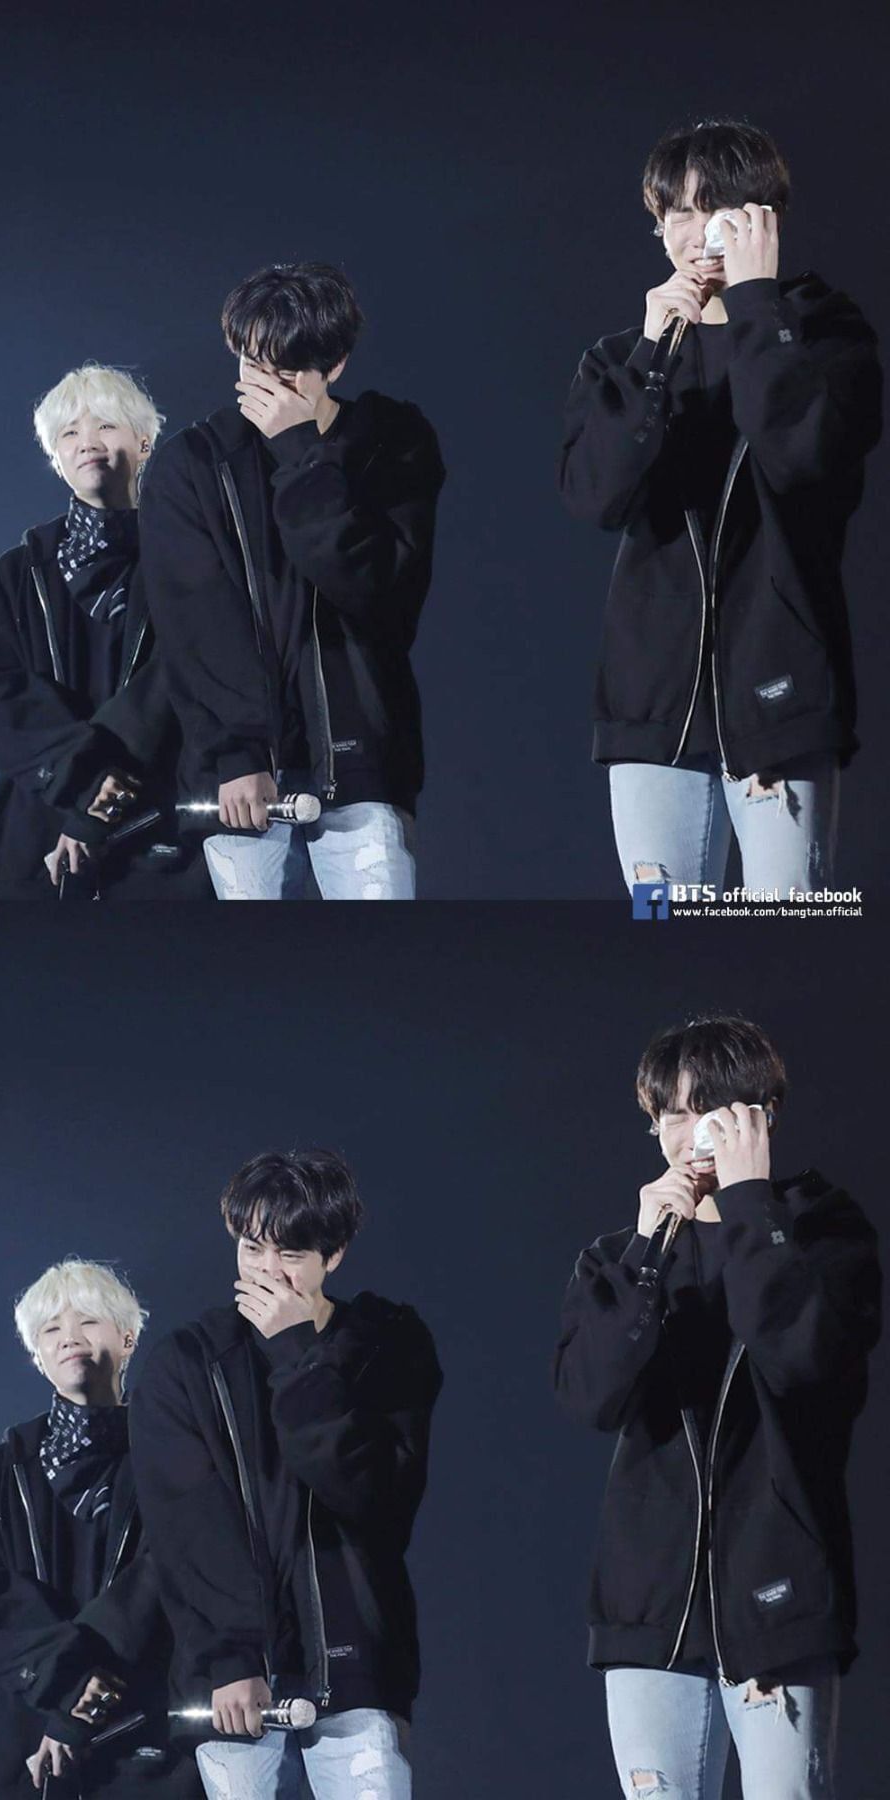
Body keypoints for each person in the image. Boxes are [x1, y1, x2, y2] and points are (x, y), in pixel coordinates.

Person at [554, 1015, 881, 1800]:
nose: (686, 1134)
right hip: (647, 1611)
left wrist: (749, 1205)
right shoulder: (621, 1257)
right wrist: (645, 1256)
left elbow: (805, 1362)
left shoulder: (823, 1232)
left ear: (760, 1115)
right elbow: (590, 1398)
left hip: (778, 1601)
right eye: (668, 1114)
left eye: (707, 1110)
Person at [558, 120, 882, 895]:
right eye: (679, 212)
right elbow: (595, 497)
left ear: (763, 218)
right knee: (658, 925)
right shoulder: (622, 358)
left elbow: (803, 457)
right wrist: (651, 358)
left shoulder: (825, 333)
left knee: (787, 923)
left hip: (780, 697)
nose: (697, 232)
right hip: (650, 709)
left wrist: (756, 302)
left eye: (719, 209)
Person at [130, 1149, 442, 1797]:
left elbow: (374, 1497)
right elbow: (185, 1525)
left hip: (358, 1664)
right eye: (251, 1249)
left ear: (335, 1255)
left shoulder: (387, 1345)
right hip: (235, 1680)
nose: (267, 1271)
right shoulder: (187, 1363)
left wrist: (298, 1354)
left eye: (291, 1254)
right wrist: (232, 1656)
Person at [139, 263, 445, 900]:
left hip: (363, 768)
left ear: (334, 366)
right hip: (243, 781)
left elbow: (377, 593)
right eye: (253, 364)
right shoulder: (193, 464)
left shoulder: (392, 442)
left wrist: (302, 455)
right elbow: (193, 623)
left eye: (286, 371)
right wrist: (237, 754)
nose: (265, 386)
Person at [0, 1259, 201, 1797]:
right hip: (23, 1735)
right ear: (37, 1357)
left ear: (128, 1338)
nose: (69, 1338)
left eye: (88, 1320)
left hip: (148, 1737)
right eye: (50, 1329)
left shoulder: (172, 1455)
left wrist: (84, 1705)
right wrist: (67, 1686)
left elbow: (164, 1576)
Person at [0, 365, 210, 901]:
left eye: (106, 425)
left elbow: (177, 680)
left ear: (144, 443)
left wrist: (102, 805)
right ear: (56, 457)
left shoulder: (187, 558)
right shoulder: (15, 576)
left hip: (166, 837)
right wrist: (84, 783)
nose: (87, 442)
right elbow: (2, 697)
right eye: (69, 432)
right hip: (40, 834)